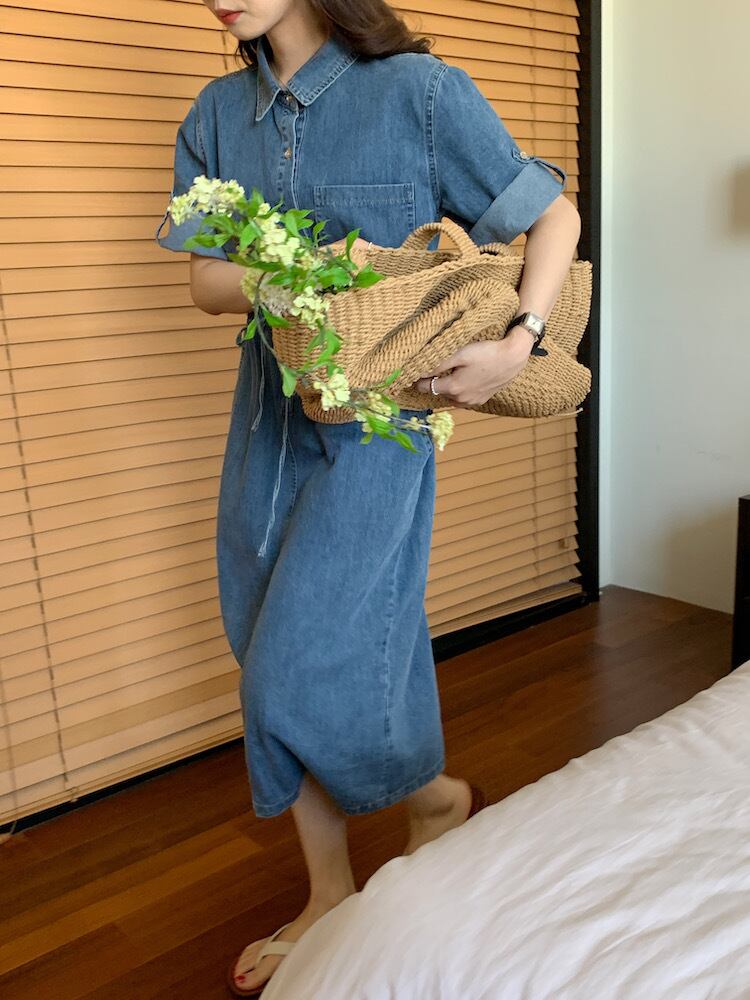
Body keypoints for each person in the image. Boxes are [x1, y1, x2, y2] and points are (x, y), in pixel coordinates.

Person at [155, 0, 582, 994]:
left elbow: (552, 215)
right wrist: (292, 279)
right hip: (267, 416)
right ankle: (335, 885)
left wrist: (518, 342)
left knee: (294, 666)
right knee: (270, 634)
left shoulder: (419, 93)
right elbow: (206, 281)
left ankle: (428, 797)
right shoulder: (217, 113)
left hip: (382, 425)